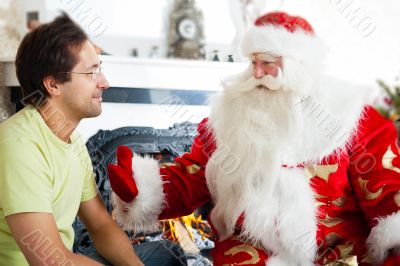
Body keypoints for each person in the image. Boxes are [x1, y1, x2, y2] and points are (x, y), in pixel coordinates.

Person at [108, 12, 400, 265]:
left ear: (300, 63)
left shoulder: (353, 119)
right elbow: (193, 177)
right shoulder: (229, 118)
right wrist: (140, 188)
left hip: (337, 255)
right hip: (251, 250)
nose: (257, 73)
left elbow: (389, 195)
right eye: (253, 62)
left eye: (268, 63)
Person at [0, 13, 185, 266]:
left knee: (165, 254)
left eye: (100, 68)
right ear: (53, 85)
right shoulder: (19, 145)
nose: (104, 82)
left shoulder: (72, 140)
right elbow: (50, 260)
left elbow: (99, 225)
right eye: (91, 73)